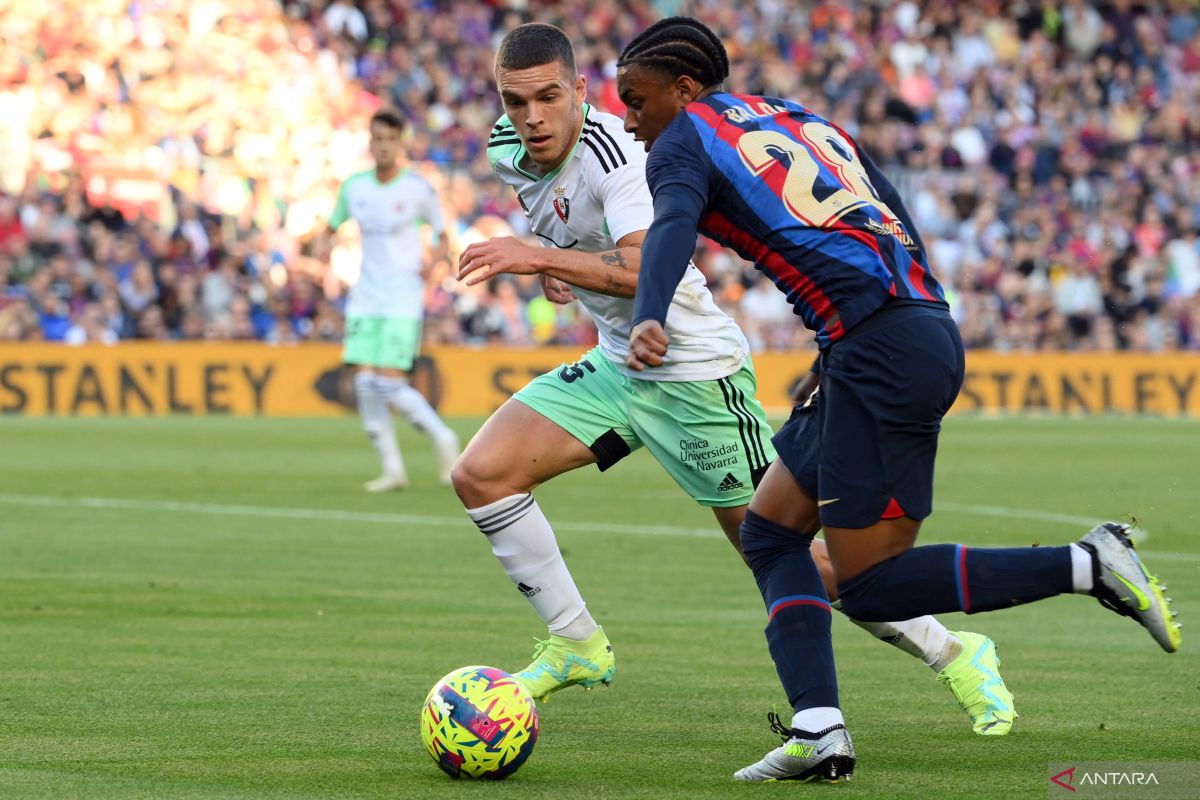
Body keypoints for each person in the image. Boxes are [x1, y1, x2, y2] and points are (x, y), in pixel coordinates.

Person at [616, 16, 1181, 783]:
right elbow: (890, 212)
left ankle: (1088, 563)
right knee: (772, 533)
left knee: (868, 582)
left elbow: (674, 223)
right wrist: (857, 333)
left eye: (636, 100)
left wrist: (650, 311)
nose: (629, 118)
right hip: (902, 330)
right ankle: (819, 729)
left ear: (683, 90)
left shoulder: (685, 136)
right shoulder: (797, 116)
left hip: (879, 348)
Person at [452, 22, 1016, 736]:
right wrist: (560, 269)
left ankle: (957, 650)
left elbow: (636, 267)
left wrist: (540, 260)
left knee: (790, 557)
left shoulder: (620, 155)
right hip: (619, 363)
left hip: (690, 371)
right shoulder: (510, 149)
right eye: (514, 100)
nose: (530, 116)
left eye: (547, 97)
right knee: (482, 475)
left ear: (581, 92)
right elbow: (575, 241)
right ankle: (576, 644)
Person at [323, 109, 460, 492]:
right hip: (366, 296)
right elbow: (330, 227)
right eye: (377, 139)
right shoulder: (354, 188)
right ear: (370, 143)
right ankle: (393, 470)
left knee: (387, 383)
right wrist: (323, 253)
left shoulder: (417, 189)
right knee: (365, 382)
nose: (383, 146)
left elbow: (444, 238)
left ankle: (443, 438)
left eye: (390, 140)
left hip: (402, 298)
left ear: (400, 144)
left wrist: (432, 267)